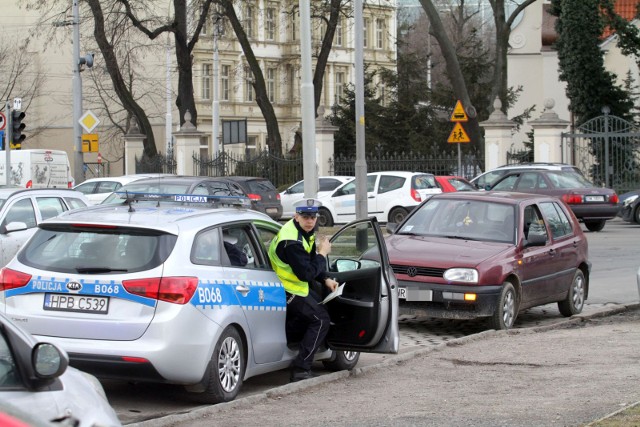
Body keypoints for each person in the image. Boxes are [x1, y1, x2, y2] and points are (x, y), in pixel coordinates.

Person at [268, 198, 339, 382]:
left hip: (295, 287)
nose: (310, 221)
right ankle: (301, 369)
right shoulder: (291, 241)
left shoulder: (303, 231)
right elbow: (305, 273)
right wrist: (323, 253)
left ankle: (290, 346)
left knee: (312, 313)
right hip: (286, 289)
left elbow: (309, 261)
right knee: (321, 319)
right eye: (305, 217)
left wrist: (325, 279)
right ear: (296, 216)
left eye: (313, 217)